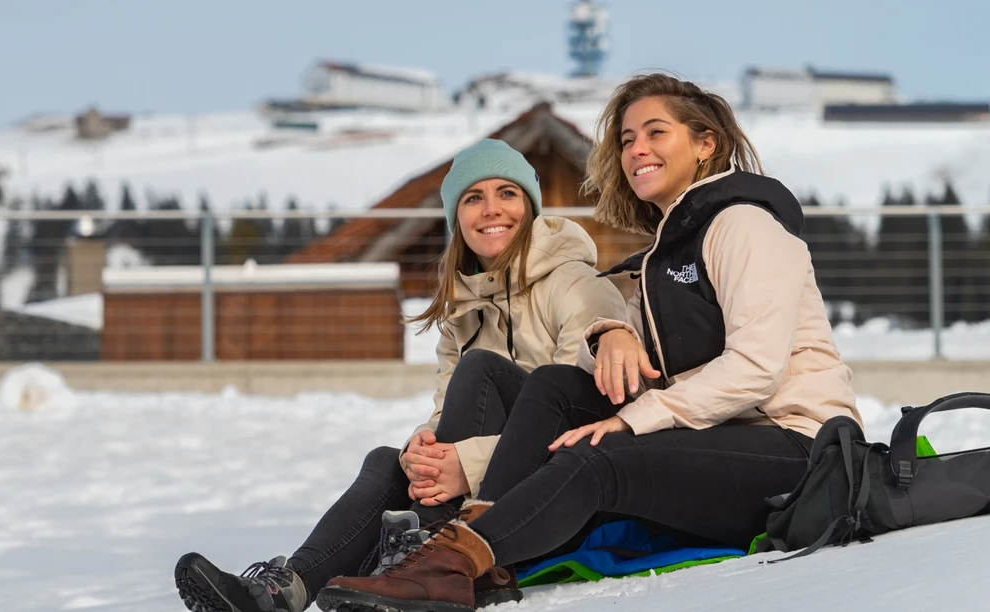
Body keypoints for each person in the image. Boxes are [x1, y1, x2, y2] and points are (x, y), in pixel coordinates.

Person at [316, 73, 865, 612]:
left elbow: (755, 370)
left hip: (798, 448)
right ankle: (461, 548)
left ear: (705, 144)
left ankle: (448, 564)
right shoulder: (661, 257)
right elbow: (594, 350)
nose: (637, 150)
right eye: (627, 140)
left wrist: (633, 419)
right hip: (718, 436)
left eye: (655, 133)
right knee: (555, 386)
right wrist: (614, 334)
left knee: (597, 458)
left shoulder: (744, 226)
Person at [173, 139, 628, 612]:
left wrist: (464, 465)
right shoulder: (463, 311)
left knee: (482, 371)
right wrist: (425, 452)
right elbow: (448, 411)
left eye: (507, 193)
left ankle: (425, 568)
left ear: (530, 206)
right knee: (388, 460)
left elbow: (583, 422)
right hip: (483, 485)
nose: (492, 210)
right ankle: (282, 590)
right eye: (473, 198)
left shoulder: (576, 284)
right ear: (457, 218)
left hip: (553, 490)